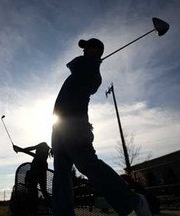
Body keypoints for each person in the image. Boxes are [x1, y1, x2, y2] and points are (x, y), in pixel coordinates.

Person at [51, 38, 152, 216]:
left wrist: (93, 62)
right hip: (58, 126)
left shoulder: (89, 70)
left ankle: (134, 200)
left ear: (96, 50)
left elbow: (83, 76)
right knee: (61, 173)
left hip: (74, 125)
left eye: (87, 47)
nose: (83, 51)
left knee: (87, 164)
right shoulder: (83, 67)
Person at [14, 142, 52, 215]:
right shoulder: (43, 156)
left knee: (34, 191)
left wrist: (20, 150)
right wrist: (20, 149)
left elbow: (31, 151)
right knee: (41, 191)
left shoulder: (42, 148)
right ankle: (49, 207)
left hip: (36, 170)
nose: (36, 150)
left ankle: (34, 210)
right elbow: (31, 150)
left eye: (37, 150)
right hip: (39, 170)